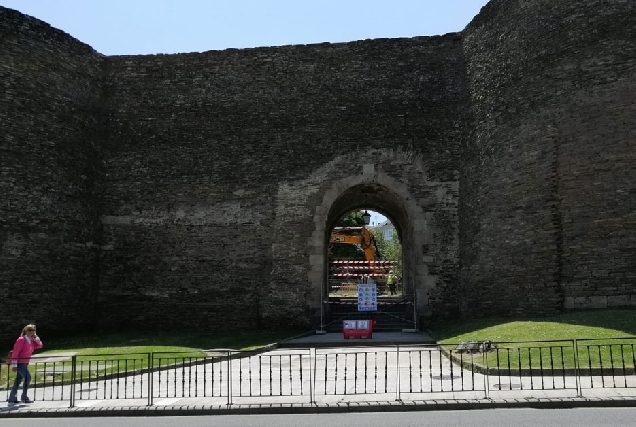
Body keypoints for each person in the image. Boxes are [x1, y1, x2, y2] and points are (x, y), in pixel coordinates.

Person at [7, 324, 43, 404]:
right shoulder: (21, 339)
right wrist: (14, 365)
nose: (31, 332)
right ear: (25, 331)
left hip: (25, 363)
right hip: (20, 363)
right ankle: (24, 397)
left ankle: (12, 398)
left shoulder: (31, 340)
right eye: (30, 330)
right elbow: (15, 352)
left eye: (33, 330)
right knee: (28, 378)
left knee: (18, 380)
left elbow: (39, 345)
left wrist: (36, 338)